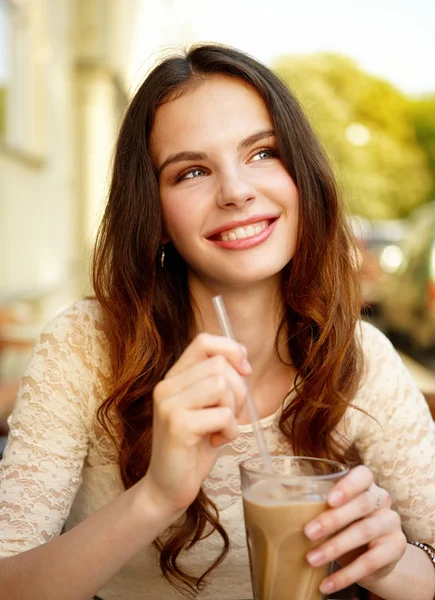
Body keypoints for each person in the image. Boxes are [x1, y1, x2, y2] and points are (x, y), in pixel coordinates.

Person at [0, 44, 434, 600]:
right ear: (154, 215)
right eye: (193, 171)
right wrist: (157, 494)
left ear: (302, 175)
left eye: (262, 154)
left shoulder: (360, 358)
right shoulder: (85, 347)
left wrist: (389, 564)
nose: (236, 192)